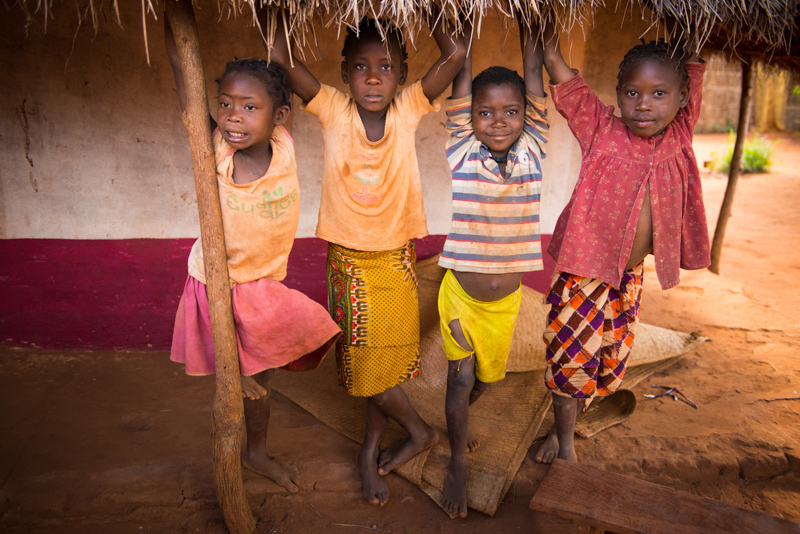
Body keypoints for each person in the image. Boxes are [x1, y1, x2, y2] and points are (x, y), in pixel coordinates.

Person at [262, 8, 466, 505]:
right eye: (361, 66)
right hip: (350, 262)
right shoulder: (332, 108)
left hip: (396, 259)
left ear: (401, 72)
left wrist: (433, 10)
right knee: (364, 366)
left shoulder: (409, 108)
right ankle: (418, 432)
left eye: (387, 67)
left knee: (388, 366)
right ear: (343, 71)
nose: (374, 77)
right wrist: (273, 15)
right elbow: (281, 58)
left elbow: (456, 53)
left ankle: (370, 447)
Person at [164, 16, 341, 493]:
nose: (233, 116)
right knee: (244, 377)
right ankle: (244, 425)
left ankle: (256, 451)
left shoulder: (282, 144)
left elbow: (281, 61)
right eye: (225, 104)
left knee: (265, 380)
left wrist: (276, 20)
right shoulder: (217, 151)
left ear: (279, 117)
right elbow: (187, 89)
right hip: (221, 283)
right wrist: (174, 29)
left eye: (248, 107)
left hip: (263, 284)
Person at [535, 23, 710, 464]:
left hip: (628, 277)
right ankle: (565, 446)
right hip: (584, 273)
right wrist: (545, 34)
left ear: (683, 99)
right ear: (617, 94)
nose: (644, 104)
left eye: (659, 94)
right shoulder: (600, 126)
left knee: (608, 358)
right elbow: (562, 75)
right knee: (572, 356)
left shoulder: (680, 133)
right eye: (632, 93)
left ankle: (566, 429)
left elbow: (696, 47)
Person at [436, 18, 549, 518]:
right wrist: (468, 30)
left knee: (486, 380)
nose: (498, 121)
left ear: (527, 115)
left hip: (504, 306)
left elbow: (534, 75)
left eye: (510, 111)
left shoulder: (535, 150)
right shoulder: (462, 152)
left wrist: (532, 35)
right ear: (471, 117)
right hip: (459, 296)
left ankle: (459, 424)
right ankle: (457, 462)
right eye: (485, 112)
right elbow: (461, 85)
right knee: (459, 381)